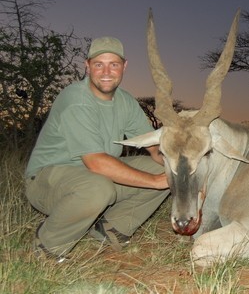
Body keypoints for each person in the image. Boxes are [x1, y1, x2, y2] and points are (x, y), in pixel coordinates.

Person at [25, 36, 170, 262]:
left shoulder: (125, 101)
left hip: (92, 176)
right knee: (98, 187)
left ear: (124, 66)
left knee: (164, 169)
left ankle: (110, 229)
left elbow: (152, 145)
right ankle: (48, 247)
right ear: (87, 66)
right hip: (47, 181)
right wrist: (156, 182)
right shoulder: (76, 99)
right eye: (98, 64)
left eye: (113, 64)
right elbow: (96, 163)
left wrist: (180, 167)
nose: (106, 71)